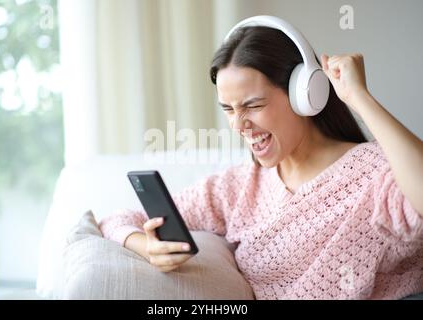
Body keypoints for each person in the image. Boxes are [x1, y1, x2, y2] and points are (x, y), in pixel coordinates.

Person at [99, 25, 423, 299]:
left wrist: (358, 97)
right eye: (228, 109)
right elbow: (117, 219)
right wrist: (145, 245)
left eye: (252, 105)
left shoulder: (372, 171)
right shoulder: (239, 186)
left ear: (305, 95)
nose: (239, 125)